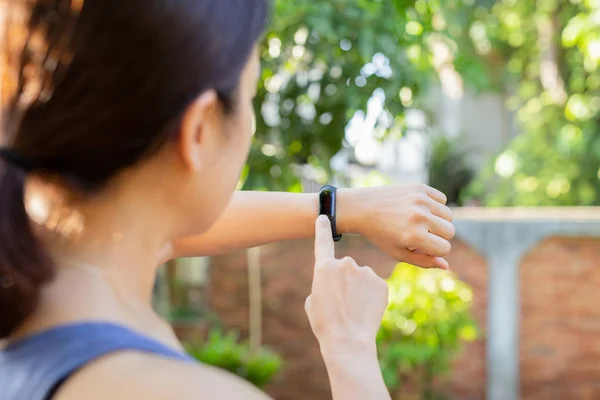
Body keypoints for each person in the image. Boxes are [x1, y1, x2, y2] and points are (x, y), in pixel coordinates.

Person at [0, 1, 455, 399]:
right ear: (200, 130)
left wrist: (347, 209)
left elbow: (161, 231)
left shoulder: (40, 276)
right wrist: (349, 346)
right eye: (251, 97)